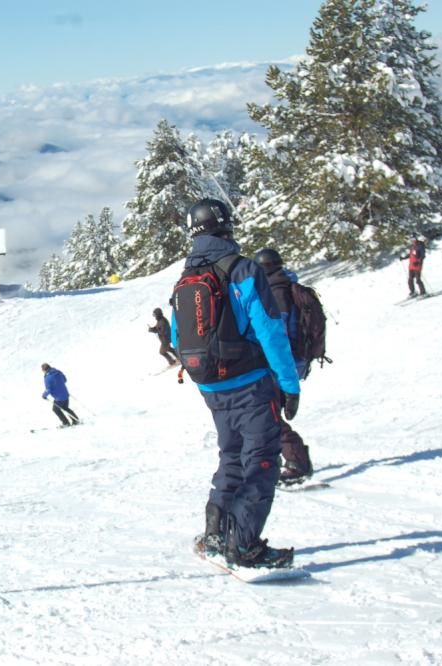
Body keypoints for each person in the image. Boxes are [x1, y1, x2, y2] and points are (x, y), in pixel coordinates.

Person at [172, 198, 300, 570]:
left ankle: (215, 533)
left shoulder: (185, 278)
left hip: (211, 385)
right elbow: (270, 330)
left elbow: (181, 336)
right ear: (226, 225)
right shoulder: (242, 270)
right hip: (250, 381)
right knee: (261, 458)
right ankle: (243, 546)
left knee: (231, 454)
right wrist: (289, 384)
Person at [253, 248, 313, 485]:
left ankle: (296, 460)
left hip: (281, 364)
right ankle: (285, 458)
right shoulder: (287, 284)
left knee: (267, 415)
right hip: (292, 361)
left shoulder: (276, 293)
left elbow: (277, 334)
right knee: (268, 413)